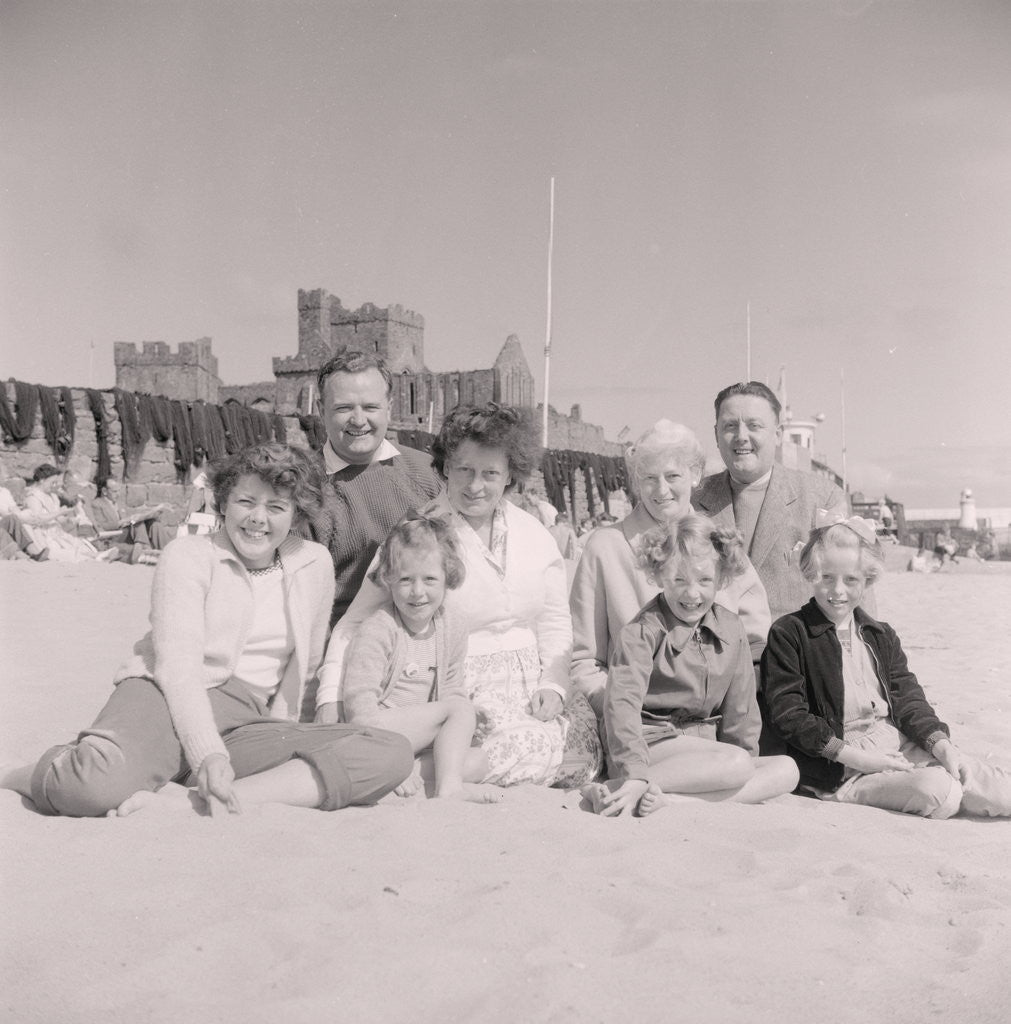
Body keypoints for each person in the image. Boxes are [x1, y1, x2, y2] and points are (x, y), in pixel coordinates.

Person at [1, 443, 413, 818]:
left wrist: (282, 733)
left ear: (297, 514)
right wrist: (209, 755)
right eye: (245, 501)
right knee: (90, 790)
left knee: (390, 752)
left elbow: (305, 669)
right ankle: (32, 770)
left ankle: (194, 798)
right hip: (164, 695)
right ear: (223, 503)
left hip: (247, 723)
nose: (257, 519)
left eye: (276, 507)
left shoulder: (314, 562)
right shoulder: (189, 556)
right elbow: (178, 668)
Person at [319, 403, 603, 789]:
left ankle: (427, 770)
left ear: (510, 475)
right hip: (459, 689)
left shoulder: (534, 533)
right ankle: (417, 771)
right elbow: (356, 621)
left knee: (584, 755)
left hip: (534, 686)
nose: (475, 486)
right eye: (464, 470)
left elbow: (554, 619)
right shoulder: (418, 532)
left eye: (490, 474)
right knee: (526, 745)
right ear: (446, 467)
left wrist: (553, 684)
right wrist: (329, 699)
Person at [761, 516, 1011, 818]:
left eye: (851, 580)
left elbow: (908, 699)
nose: (837, 590)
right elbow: (789, 716)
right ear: (811, 575)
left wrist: (939, 744)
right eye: (827, 577)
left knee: (1000, 791)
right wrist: (857, 758)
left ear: (868, 580)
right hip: (842, 765)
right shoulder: (790, 633)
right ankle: (887, 787)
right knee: (941, 792)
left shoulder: (879, 634)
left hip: (898, 743)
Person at [583, 514, 798, 817]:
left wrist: (742, 766)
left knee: (786, 770)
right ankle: (628, 785)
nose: (692, 593)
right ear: (660, 576)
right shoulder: (642, 631)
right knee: (736, 763)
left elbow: (742, 709)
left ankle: (674, 801)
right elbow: (622, 706)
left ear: (722, 578)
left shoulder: (731, 628)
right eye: (679, 580)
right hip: (648, 741)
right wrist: (634, 769)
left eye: (704, 580)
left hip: (703, 750)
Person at [570, 420, 770, 719]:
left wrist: (731, 709)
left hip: (720, 722)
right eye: (649, 478)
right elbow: (584, 661)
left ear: (695, 474)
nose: (661, 489)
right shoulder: (605, 548)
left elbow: (756, 646)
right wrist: (622, 713)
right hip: (637, 723)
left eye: (672, 475)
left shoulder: (720, 542)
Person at [341, 513, 501, 803]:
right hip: (377, 734)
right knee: (458, 711)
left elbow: (452, 688)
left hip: (417, 739)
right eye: (405, 580)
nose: (417, 592)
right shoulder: (379, 629)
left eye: (429, 579)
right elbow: (359, 703)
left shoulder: (453, 625)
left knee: (478, 761)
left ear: (447, 578)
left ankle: (404, 777)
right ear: (388, 580)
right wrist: (390, 760)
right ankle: (445, 788)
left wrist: (467, 721)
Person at [303, 348, 442, 624]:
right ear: (320, 410)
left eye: (370, 407)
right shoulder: (302, 488)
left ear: (389, 408)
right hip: (341, 640)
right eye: (343, 408)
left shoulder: (428, 473)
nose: (358, 420)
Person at [693, 382, 851, 623]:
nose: (741, 437)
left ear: (777, 435)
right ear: (716, 434)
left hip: (794, 645)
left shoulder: (822, 499)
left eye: (754, 426)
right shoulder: (692, 502)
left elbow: (853, 589)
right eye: (730, 426)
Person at [20, 465, 115, 562]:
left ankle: (96, 555)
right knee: (63, 551)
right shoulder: (33, 496)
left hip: (57, 531)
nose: (54, 485)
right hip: (43, 534)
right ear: (42, 480)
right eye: (52, 482)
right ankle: (96, 557)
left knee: (78, 545)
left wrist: (68, 519)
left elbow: (59, 519)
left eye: (55, 482)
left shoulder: (52, 496)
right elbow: (37, 519)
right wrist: (60, 512)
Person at [89, 478, 175, 552]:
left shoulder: (119, 503)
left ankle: (167, 549)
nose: (118, 494)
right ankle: (144, 548)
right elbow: (102, 526)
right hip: (113, 536)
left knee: (154, 524)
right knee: (137, 523)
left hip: (126, 531)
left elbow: (133, 516)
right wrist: (123, 521)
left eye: (119, 490)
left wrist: (155, 510)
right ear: (104, 491)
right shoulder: (97, 504)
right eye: (115, 491)